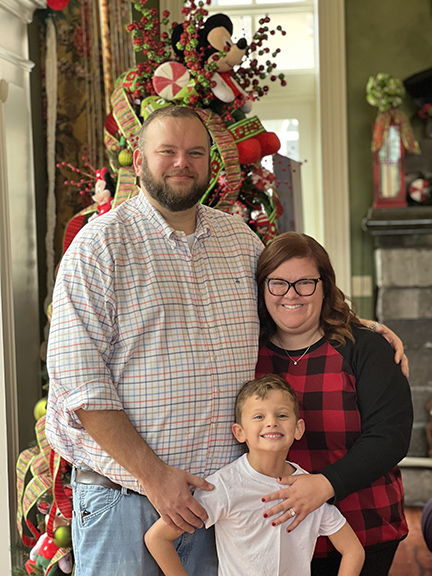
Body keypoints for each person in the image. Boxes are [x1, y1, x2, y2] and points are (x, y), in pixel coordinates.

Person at [46, 106, 407, 576]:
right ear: (138, 161)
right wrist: (156, 480)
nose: (182, 162)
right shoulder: (99, 248)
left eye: (195, 152)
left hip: (227, 506)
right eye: (167, 151)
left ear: (211, 165)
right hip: (128, 501)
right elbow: (82, 387)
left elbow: (288, 304)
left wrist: (362, 327)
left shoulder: (239, 242)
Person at [255, 232, 413, 576]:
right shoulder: (247, 353)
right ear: (262, 288)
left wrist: (324, 485)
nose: (291, 295)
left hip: (363, 526)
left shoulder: (365, 348)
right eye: (278, 283)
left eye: (305, 283)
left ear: (325, 286)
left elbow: (390, 436)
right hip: (281, 532)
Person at [145, 375, 365, 576]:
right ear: (239, 432)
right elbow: (157, 538)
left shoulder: (310, 489)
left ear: (298, 429)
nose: (271, 422)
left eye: (282, 415)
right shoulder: (223, 486)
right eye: (259, 416)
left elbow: (353, 550)